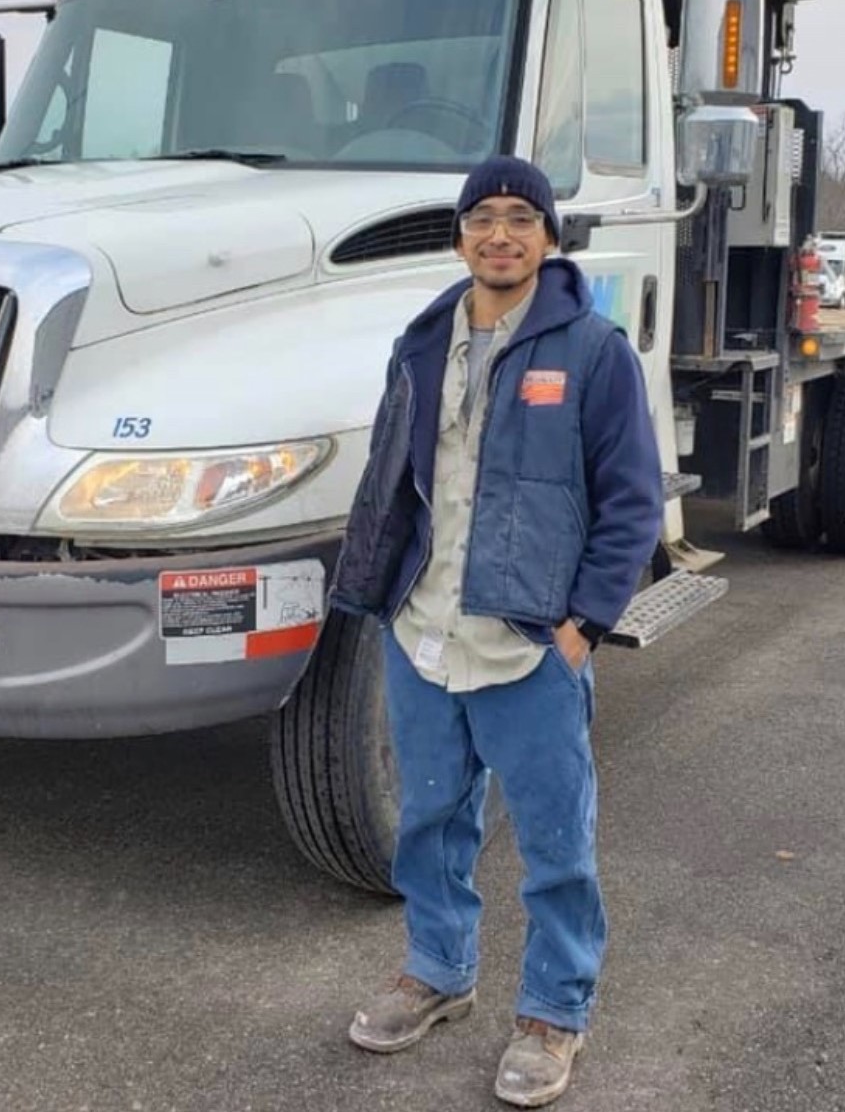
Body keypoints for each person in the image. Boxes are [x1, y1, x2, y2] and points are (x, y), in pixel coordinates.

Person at [329, 155, 663, 1107]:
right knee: (431, 821)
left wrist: (582, 625)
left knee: (557, 843)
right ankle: (438, 972)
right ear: (460, 236)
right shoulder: (421, 342)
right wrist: (377, 595)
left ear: (548, 237)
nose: (500, 233)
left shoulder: (591, 351)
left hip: (527, 643)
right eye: (482, 217)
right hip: (422, 630)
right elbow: (386, 480)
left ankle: (554, 1012)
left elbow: (630, 504)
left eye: (521, 216)